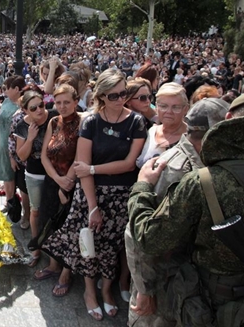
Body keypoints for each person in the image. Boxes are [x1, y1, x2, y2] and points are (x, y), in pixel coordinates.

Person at [129, 89, 244, 326]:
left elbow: (150, 239)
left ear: (229, 119)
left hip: (216, 310)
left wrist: (142, 187)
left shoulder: (205, 181)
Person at [46, 69, 147, 320]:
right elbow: (81, 165)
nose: (120, 99)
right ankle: (90, 292)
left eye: (124, 93)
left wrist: (92, 168)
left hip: (120, 195)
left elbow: (128, 163)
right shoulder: (90, 122)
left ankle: (107, 291)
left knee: (112, 247)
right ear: (101, 96)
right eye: (113, 95)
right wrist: (92, 207)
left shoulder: (135, 121)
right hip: (90, 194)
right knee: (88, 246)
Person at [125, 98, 229, 326]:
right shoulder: (172, 168)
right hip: (164, 284)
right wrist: (145, 289)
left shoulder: (209, 163)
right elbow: (137, 234)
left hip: (191, 285)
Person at [35, 84, 80, 286]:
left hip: (72, 183)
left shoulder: (83, 122)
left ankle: (66, 272)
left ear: (76, 102)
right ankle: (53, 264)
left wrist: (65, 184)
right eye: (58, 102)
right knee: (49, 221)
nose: (61, 106)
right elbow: (44, 155)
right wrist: (56, 179)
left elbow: (80, 155)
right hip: (53, 180)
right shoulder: (54, 121)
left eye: (66, 102)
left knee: (68, 227)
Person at [14, 88, 54, 267]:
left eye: (41, 105)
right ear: (25, 111)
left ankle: (54, 249)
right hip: (35, 172)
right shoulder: (22, 126)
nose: (39, 110)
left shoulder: (53, 116)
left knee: (54, 211)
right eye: (33, 108)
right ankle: (36, 246)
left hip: (55, 170)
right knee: (35, 210)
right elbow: (21, 156)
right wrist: (30, 139)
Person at [136, 83, 189, 168]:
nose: (169, 112)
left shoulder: (192, 138)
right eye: (163, 106)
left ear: (185, 109)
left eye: (176, 107)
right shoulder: (151, 132)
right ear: (156, 107)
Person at [0, 75, 26, 222]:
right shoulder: (6, 101)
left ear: (16, 89)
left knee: (11, 175)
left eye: (8, 88)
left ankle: (13, 204)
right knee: (6, 176)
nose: (5, 91)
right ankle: (9, 202)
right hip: (2, 142)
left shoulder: (21, 107)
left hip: (12, 146)